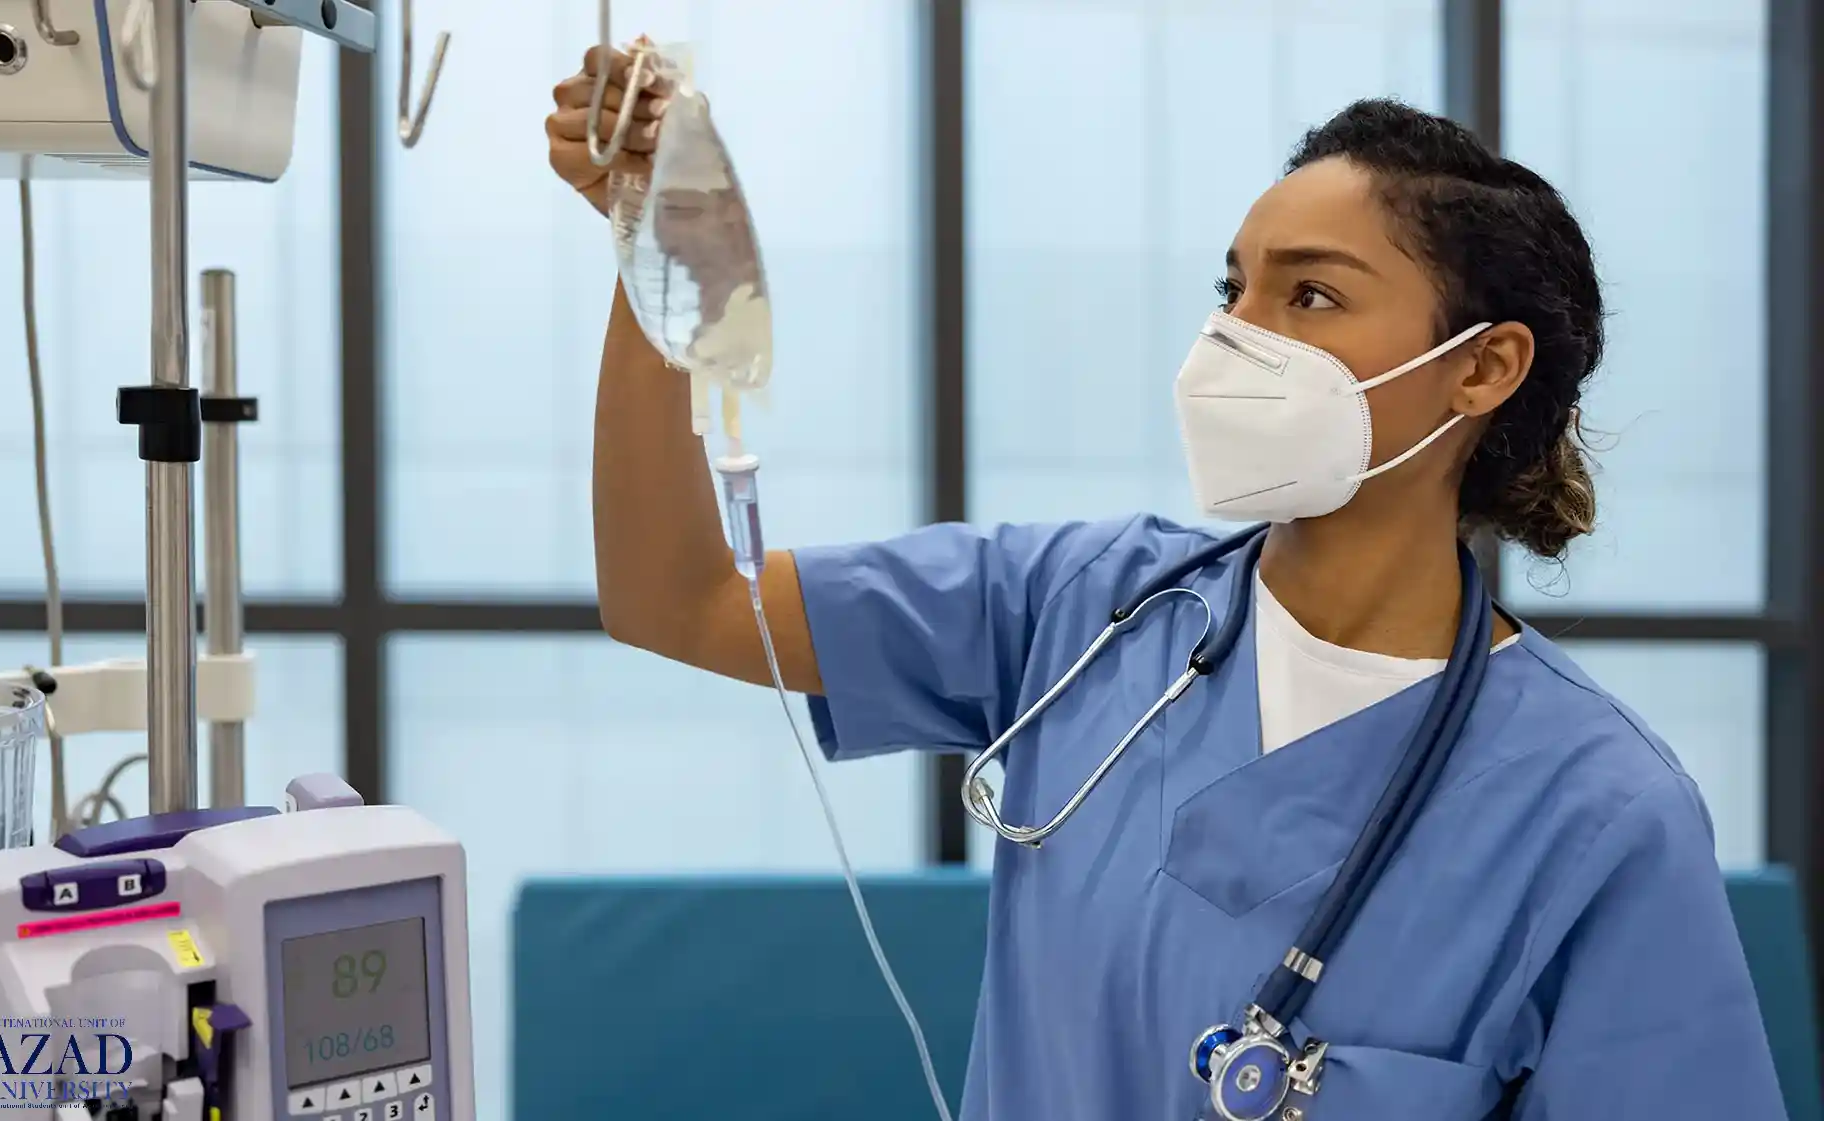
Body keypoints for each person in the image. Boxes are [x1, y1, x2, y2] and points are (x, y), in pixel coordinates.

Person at [547, 46, 1785, 1121]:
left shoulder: (1595, 810)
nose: (1237, 334)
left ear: (1481, 371)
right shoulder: (1077, 605)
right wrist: (652, 240)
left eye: (1309, 294)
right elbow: (676, 597)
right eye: (1231, 287)